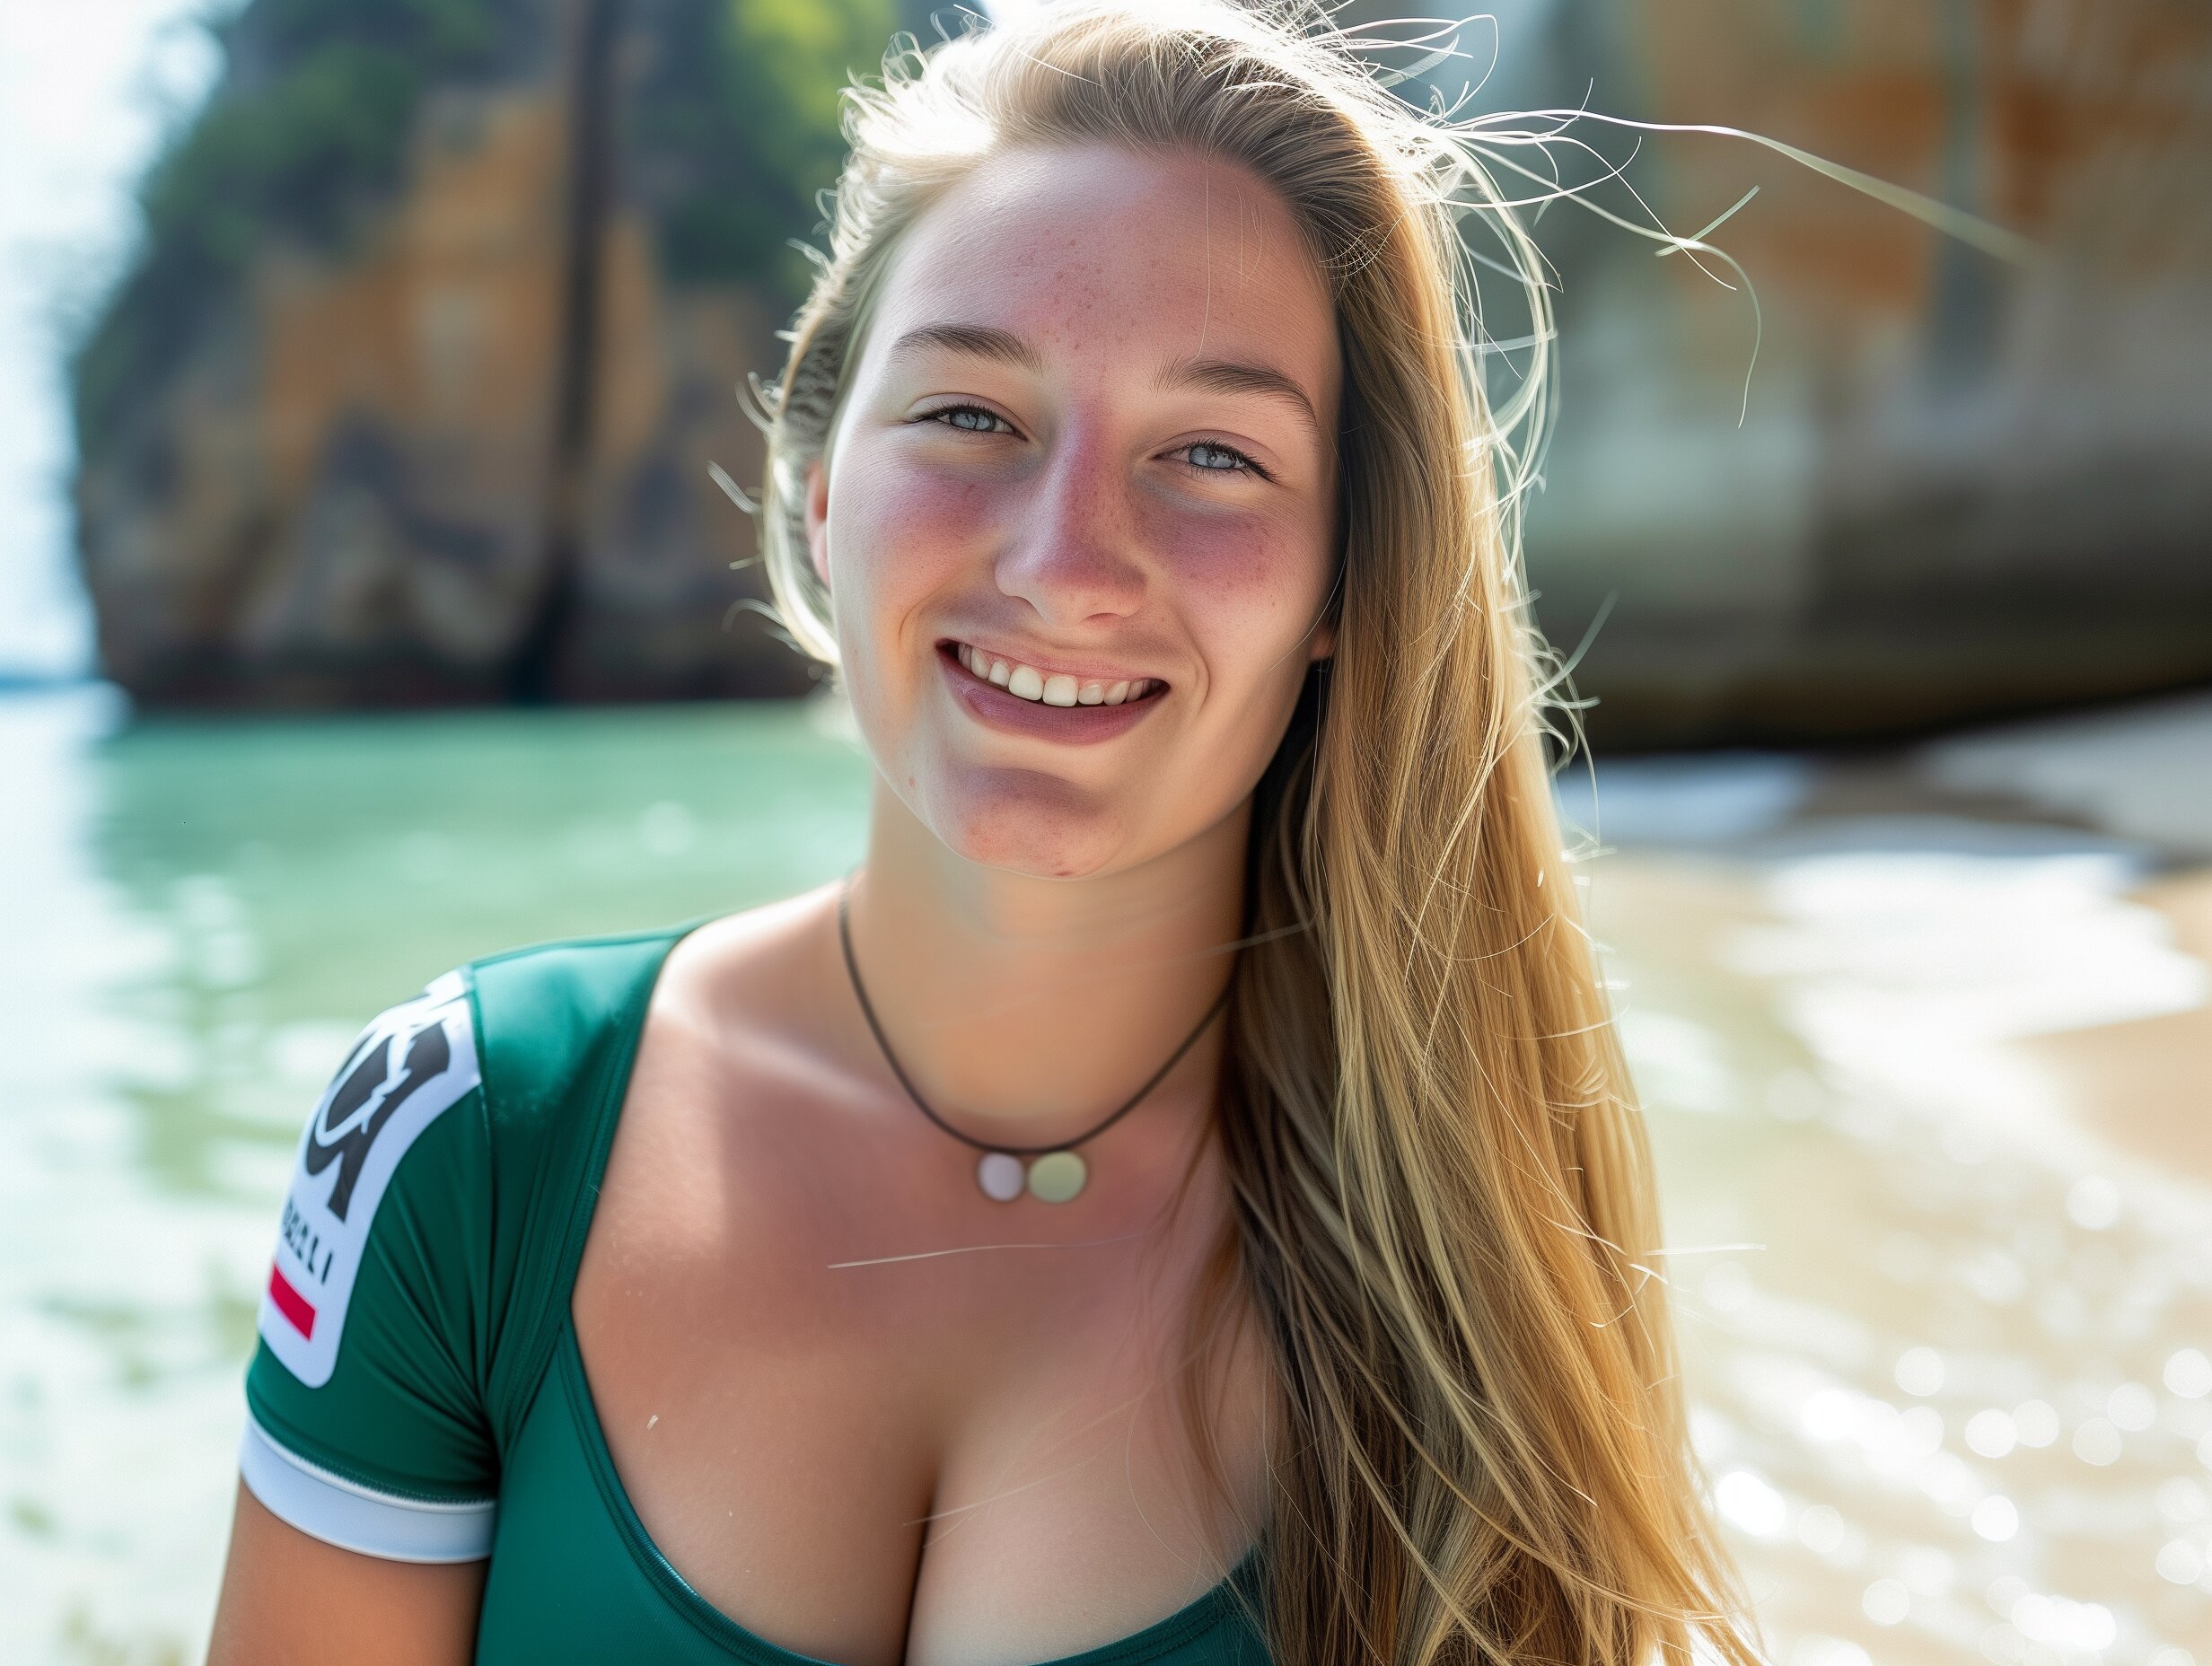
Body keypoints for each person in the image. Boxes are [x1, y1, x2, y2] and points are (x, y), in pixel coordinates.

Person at [209, 4, 1757, 1662]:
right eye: (969, 416)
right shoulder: (467, 1132)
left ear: (1339, 583)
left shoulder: (1471, 1231)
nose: (1067, 560)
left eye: (1215, 454)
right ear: (820, 484)